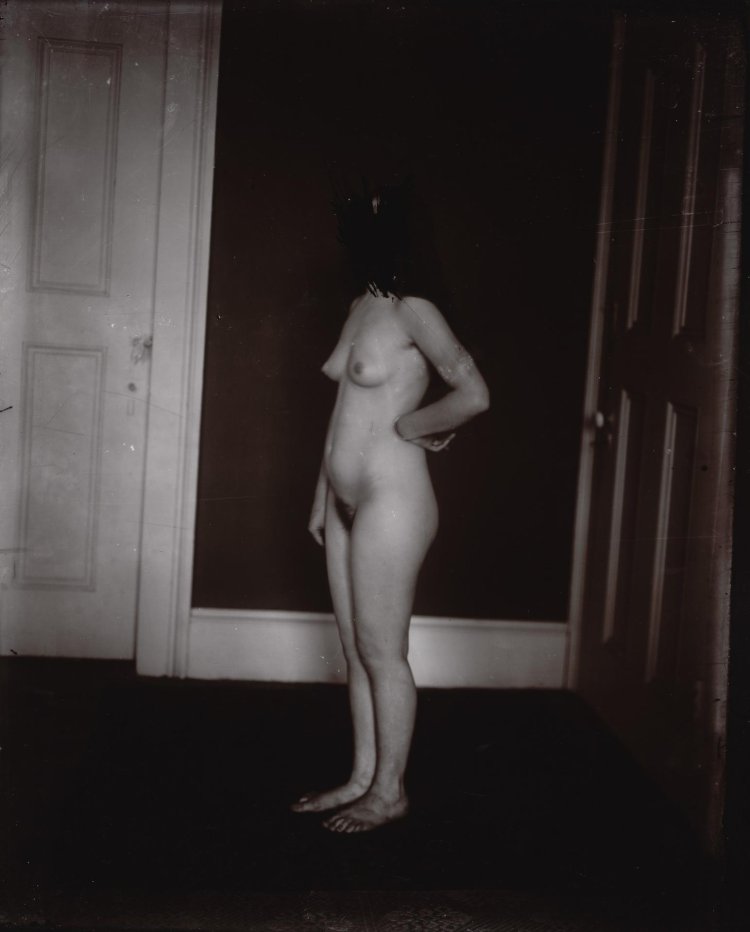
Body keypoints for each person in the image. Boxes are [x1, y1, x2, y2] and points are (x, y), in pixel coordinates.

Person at [291, 182, 489, 832]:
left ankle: (391, 791)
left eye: (378, 220)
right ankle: (361, 778)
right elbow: (343, 409)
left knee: (382, 651)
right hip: (344, 500)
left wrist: (411, 426)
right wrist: (323, 494)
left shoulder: (416, 311)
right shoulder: (359, 306)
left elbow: (474, 393)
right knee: (355, 651)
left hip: (393, 498)